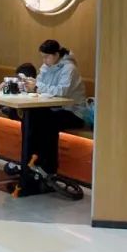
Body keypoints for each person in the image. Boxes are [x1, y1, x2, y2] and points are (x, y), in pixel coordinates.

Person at [28, 40, 87, 175]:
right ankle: (32, 158)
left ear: (56, 54)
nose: (44, 60)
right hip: (54, 109)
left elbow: (61, 91)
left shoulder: (69, 69)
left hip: (73, 112)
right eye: (42, 57)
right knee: (32, 117)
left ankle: (49, 167)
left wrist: (37, 87)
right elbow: (39, 83)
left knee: (48, 123)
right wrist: (32, 85)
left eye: (47, 57)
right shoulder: (46, 66)